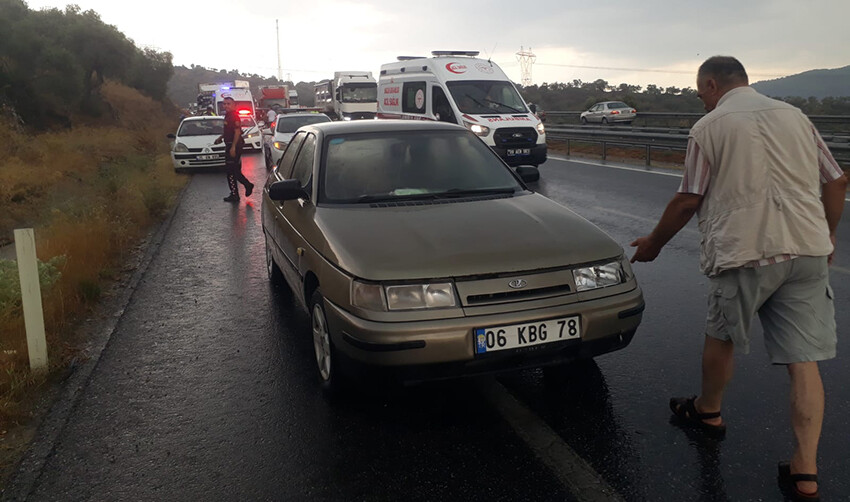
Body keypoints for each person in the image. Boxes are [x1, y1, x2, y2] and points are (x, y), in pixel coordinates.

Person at [630, 56, 846, 502]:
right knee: (803, 360)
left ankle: (708, 411)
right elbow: (836, 181)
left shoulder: (708, 128)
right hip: (807, 249)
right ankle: (805, 469)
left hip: (746, 252)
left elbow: (689, 199)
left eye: (699, 92)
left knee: (722, 334)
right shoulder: (796, 116)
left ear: (711, 85)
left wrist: (653, 243)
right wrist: (828, 233)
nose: (701, 100)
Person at [214, 96, 254, 202]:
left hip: (234, 145)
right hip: (230, 144)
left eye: (228, 104)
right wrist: (221, 137)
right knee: (234, 170)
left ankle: (237, 192)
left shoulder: (235, 116)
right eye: (224, 104)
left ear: (234, 105)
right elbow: (229, 130)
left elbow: (237, 132)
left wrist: (233, 147)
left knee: (231, 171)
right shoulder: (228, 115)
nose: (226, 105)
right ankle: (242, 188)